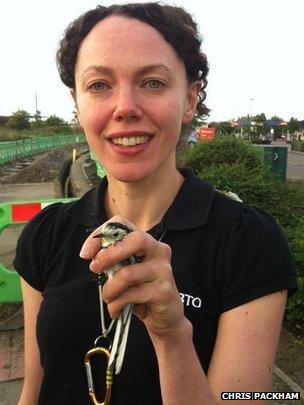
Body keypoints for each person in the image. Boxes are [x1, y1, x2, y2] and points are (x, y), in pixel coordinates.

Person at [14, 3, 298, 404]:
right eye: (99, 85)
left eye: (152, 82)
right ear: (76, 103)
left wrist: (171, 335)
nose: (125, 107)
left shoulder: (248, 242)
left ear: (190, 100)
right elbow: (32, 391)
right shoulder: (45, 234)